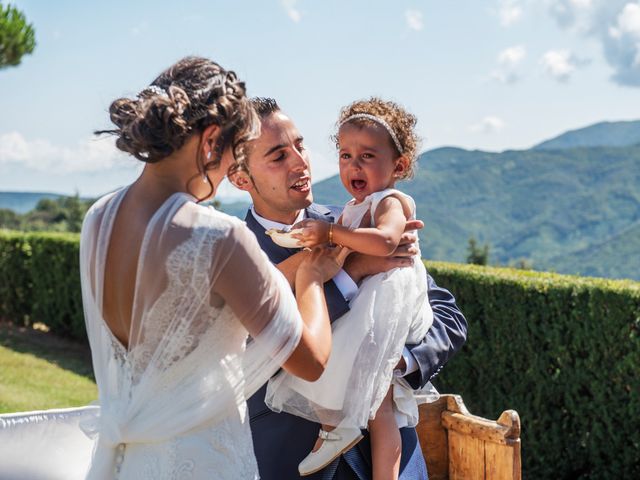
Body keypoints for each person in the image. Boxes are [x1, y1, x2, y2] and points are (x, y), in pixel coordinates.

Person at [79, 57, 346, 479]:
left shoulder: (99, 218)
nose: (227, 173)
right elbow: (311, 362)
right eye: (236, 152)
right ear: (210, 141)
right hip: (205, 461)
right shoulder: (217, 238)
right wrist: (311, 277)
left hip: (127, 462)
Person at [229, 97, 468, 480]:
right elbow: (250, 347)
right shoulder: (232, 256)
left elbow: (447, 317)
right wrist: (350, 274)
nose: (300, 162)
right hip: (293, 459)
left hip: (396, 460)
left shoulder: (357, 220)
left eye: (300, 145)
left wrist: (394, 361)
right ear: (240, 178)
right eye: (278, 156)